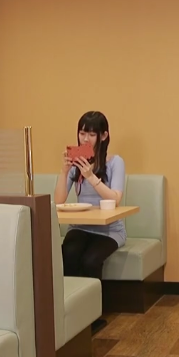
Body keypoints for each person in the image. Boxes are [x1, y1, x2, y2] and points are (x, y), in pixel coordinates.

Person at [55, 111, 126, 280]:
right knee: (68, 254)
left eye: (92, 135)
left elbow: (115, 199)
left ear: (104, 136)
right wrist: (64, 172)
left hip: (109, 231)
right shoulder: (76, 163)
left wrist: (91, 177)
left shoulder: (115, 162)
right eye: (82, 133)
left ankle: (95, 298)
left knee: (90, 261)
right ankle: (71, 296)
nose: (85, 139)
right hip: (79, 227)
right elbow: (58, 200)